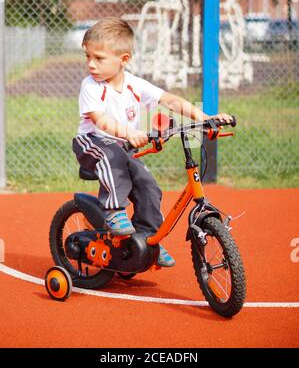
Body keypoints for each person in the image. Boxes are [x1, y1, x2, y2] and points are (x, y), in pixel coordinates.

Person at [73, 17, 232, 267]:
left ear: (123, 59)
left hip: (122, 146)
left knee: (148, 186)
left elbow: (169, 100)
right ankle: (114, 211)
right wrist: (127, 133)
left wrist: (205, 117)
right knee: (113, 160)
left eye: (99, 58)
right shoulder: (91, 86)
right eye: (88, 57)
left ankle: (149, 240)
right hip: (93, 142)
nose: (91, 64)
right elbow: (99, 120)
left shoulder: (135, 85)